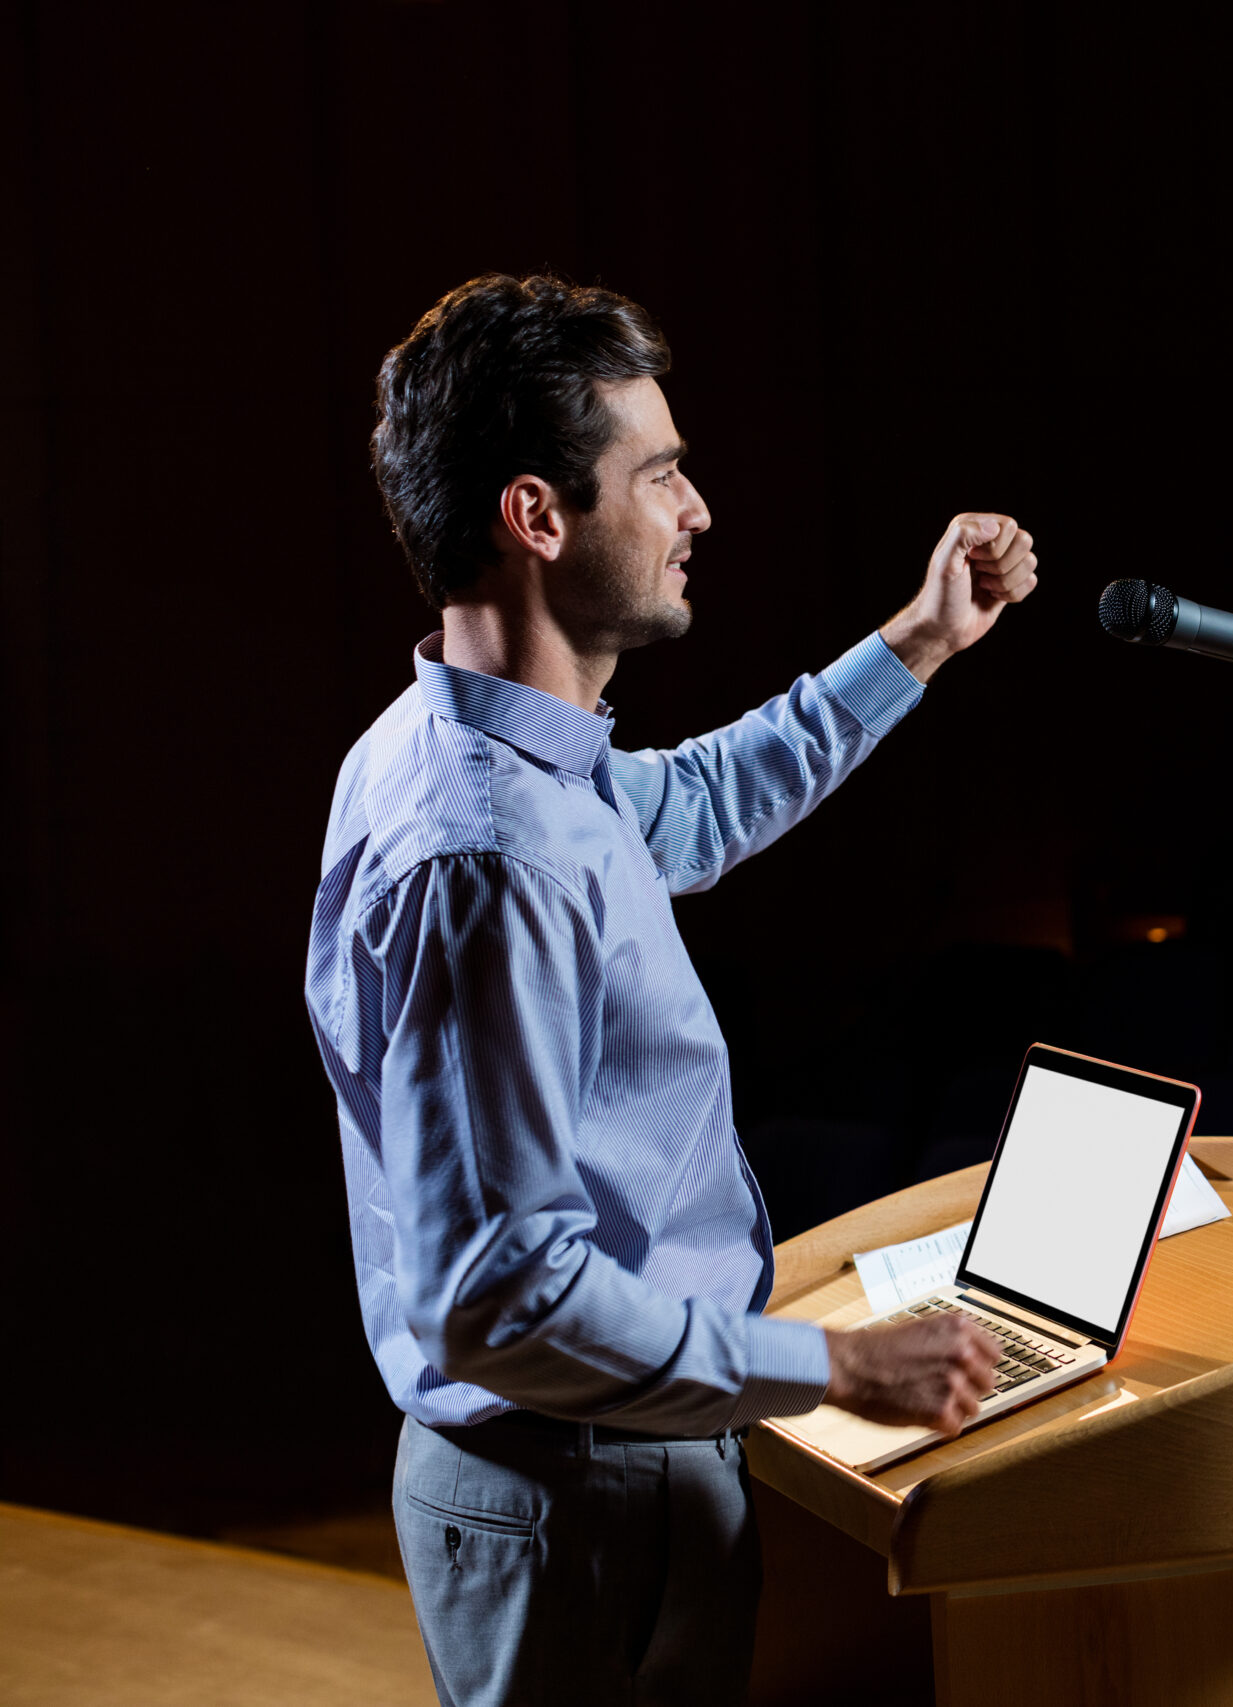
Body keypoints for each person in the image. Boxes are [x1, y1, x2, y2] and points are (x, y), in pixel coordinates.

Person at [306, 275, 1035, 1705]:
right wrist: (827, 1363)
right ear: (538, 515)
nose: (696, 508)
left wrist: (921, 642)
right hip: (578, 1491)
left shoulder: (477, 744)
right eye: (661, 473)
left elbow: (689, 806)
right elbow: (500, 1298)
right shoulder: (487, 857)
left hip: (598, 1468)